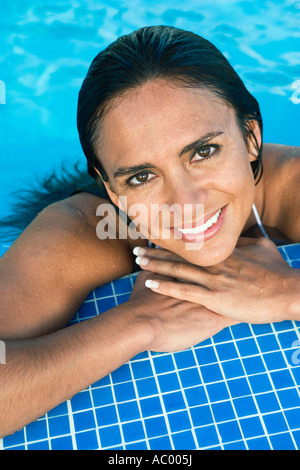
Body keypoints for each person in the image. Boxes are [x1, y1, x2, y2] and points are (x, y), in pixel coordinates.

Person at [0, 25, 299, 438]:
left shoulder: (294, 186)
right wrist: (139, 321)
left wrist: (289, 293)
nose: (186, 202)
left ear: (251, 137)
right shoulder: (86, 231)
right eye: (142, 176)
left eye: (204, 152)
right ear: (111, 189)